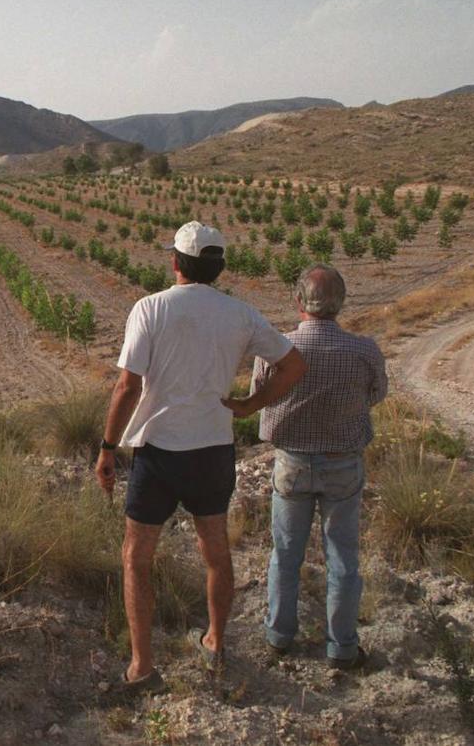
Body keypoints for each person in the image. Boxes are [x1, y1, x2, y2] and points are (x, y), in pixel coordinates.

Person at [95, 221, 307, 693]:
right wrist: (251, 405)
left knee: (136, 558)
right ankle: (215, 642)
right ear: (219, 267)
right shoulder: (240, 314)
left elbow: (128, 386)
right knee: (215, 551)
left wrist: (108, 447)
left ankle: (142, 668)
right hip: (213, 450)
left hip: (158, 452)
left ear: (175, 262)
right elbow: (293, 365)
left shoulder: (149, 309)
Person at [233, 264, 387, 670]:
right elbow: (377, 395)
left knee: (284, 553)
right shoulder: (365, 350)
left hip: (292, 464)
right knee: (343, 558)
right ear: (341, 303)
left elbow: (258, 399)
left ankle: (279, 637)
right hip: (343, 465)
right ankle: (342, 648)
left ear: (298, 302)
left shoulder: (278, 349)